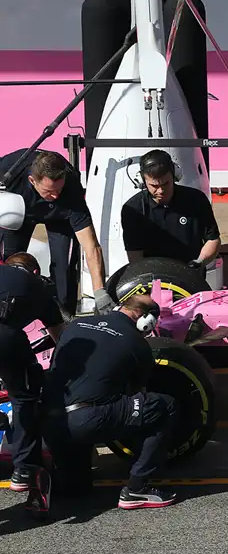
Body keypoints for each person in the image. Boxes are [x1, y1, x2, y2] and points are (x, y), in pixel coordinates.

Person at [41, 294, 179, 509]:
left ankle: (59, 479)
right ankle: (137, 488)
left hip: (50, 422)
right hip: (86, 421)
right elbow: (137, 392)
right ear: (146, 320)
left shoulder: (76, 325)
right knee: (162, 406)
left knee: (76, 489)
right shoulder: (137, 344)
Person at [0, 149, 110, 315]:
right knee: (8, 261)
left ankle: (62, 317)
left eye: (59, 190)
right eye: (49, 191)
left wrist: (100, 292)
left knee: (63, 269)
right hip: (19, 211)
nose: (56, 196)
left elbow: (92, 247)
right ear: (32, 180)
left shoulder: (71, 189)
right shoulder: (10, 169)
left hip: (60, 218)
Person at [0, 252, 65, 516]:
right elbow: (60, 337)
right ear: (35, 272)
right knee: (25, 397)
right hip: (6, 338)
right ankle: (24, 468)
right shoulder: (38, 287)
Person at [121, 149, 221, 270]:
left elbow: (213, 239)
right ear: (143, 181)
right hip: (152, 276)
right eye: (154, 186)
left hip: (191, 275)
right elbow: (135, 256)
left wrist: (199, 262)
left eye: (165, 184)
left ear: (174, 175)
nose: (161, 191)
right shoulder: (133, 210)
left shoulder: (197, 200)